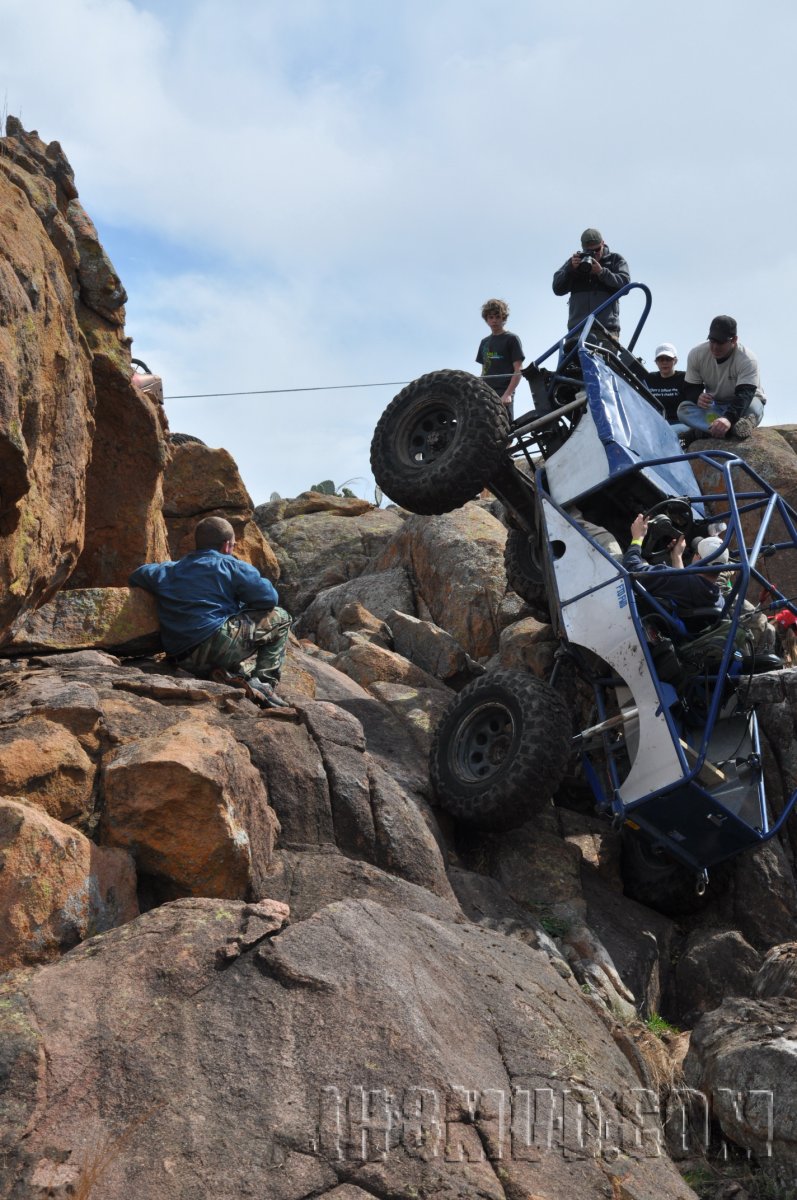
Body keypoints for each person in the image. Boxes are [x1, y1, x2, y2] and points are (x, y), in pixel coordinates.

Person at [129, 515, 292, 707]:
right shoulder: (231, 565)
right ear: (226, 546)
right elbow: (269, 599)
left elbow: (136, 575)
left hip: (182, 656)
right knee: (281, 617)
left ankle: (230, 675)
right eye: (233, 545)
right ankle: (265, 684)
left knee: (223, 636)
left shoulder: (168, 570)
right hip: (216, 645)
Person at [677, 316, 766, 440]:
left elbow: (744, 396)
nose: (715, 347)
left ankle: (703, 431)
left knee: (753, 408)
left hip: (745, 404)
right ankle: (733, 430)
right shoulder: (697, 353)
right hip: (716, 407)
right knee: (684, 409)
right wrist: (697, 396)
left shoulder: (747, 359)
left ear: (734, 340)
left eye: (721, 342)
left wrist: (728, 418)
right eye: (712, 341)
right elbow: (690, 387)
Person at [622, 515, 726, 616]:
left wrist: (637, 538)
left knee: (606, 536)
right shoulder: (719, 602)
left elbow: (630, 568)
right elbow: (683, 584)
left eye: (696, 552)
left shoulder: (672, 578)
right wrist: (677, 556)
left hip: (634, 609)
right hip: (667, 625)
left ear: (698, 558)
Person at [551, 228, 630, 339]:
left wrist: (602, 273)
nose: (594, 254)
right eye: (589, 251)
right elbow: (557, 288)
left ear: (603, 243)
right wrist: (571, 270)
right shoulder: (575, 262)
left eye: (597, 250)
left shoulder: (615, 260)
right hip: (577, 331)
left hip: (606, 332)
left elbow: (625, 285)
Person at [476, 298, 524, 418]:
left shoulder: (511, 339)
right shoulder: (484, 342)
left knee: (504, 428)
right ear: (486, 319)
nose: (494, 321)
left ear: (504, 318)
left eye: (498, 317)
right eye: (491, 317)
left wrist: (508, 394)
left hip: (503, 391)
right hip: (485, 392)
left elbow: (518, 370)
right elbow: (484, 370)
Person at [645, 342, 688, 432]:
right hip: (655, 424)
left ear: (675, 361)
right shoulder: (649, 378)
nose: (664, 362)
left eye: (668, 359)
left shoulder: (685, 378)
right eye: (660, 359)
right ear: (656, 362)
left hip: (679, 423)